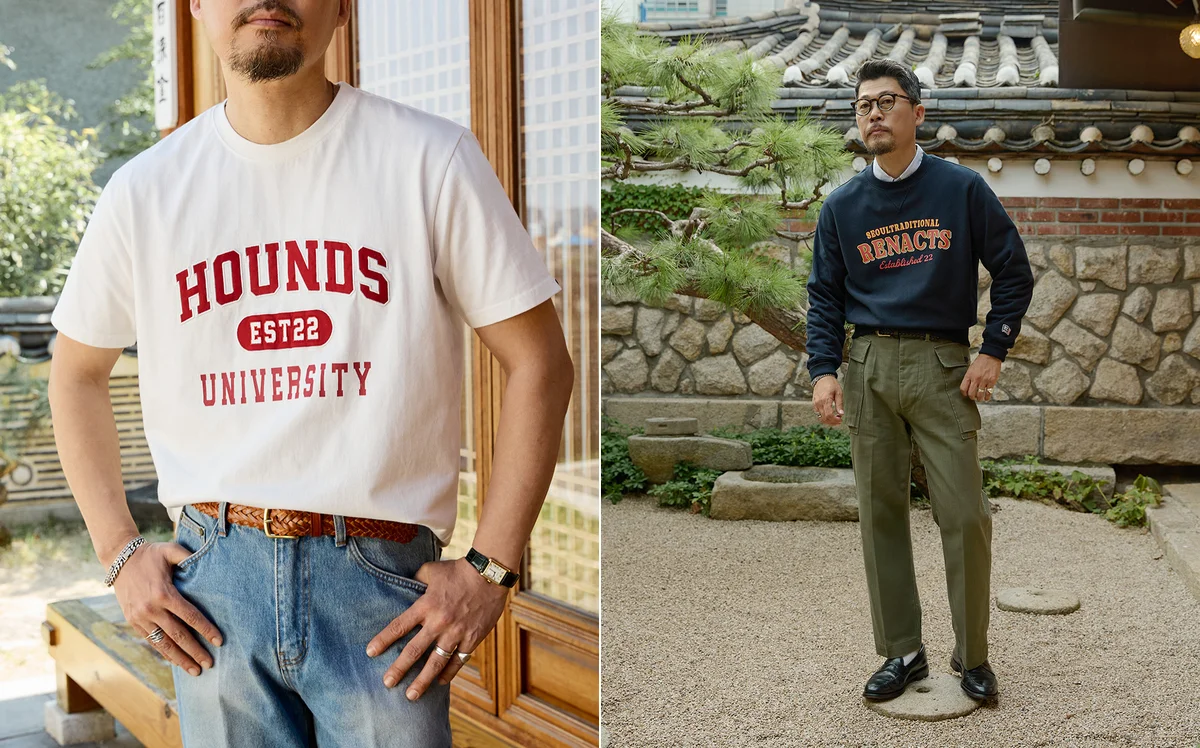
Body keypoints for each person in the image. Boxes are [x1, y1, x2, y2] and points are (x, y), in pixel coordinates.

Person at [46, 1, 574, 745]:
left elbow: (541, 362)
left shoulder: (428, 158)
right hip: (210, 587)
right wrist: (120, 552)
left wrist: (492, 567)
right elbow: (74, 373)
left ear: (344, 8)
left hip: (380, 583)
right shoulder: (146, 191)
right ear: (198, 5)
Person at [804, 58, 1034, 704]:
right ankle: (903, 652)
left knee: (965, 515)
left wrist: (993, 350)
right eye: (862, 106)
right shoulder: (843, 205)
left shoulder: (960, 191)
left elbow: (1015, 273)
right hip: (870, 365)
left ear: (917, 113)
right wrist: (825, 370)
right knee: (880, 514)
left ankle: (974, 654)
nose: (873, 113)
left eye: (886, 101)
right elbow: (824, 297)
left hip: (941, 367)